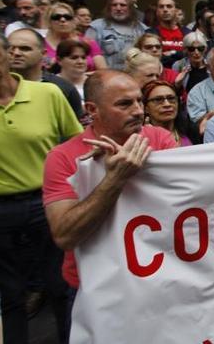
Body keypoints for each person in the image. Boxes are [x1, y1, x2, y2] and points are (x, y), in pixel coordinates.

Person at [42, 71, 178, 329]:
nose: (139, 111)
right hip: (96, 289)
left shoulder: (159, 138)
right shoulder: (62, 158)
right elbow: (65, 235)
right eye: (125, 104)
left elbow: (186, 199)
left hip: (159, 277)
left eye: (139, 101)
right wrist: (113, 179)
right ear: (92, 109)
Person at [0, 32, 83, 344]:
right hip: (2, 211)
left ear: (6, 56)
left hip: (48, 203)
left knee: (58, 287)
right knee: (10, 296)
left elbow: (77, 144)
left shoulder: (47, 94)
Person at [8, 28, 85, 121]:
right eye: (11, 49)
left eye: (25, 49)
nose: (16, 53)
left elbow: (76, 130)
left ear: (43, 54)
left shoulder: (62, 88)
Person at [86, 0, 148, 70]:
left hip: (134, 77)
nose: (118, 8)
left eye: (123, 5)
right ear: (109, 8)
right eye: (114, 5)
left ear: (130, 8)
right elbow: (86, 54)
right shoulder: (96, 27)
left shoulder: (141, 29)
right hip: (105, 77)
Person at [43, 2, 107, 71]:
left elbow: (103, 72)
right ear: (49, 21)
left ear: (73, 20)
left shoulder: (89, 42)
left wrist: (81, 76)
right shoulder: (40, 44)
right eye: (57, 17)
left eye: (67, 17)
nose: (62, 20)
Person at [142, 80, 199, 146]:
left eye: (171, 98)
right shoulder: (141, 137)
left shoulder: (190, 131)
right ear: (146, 108)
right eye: (158, 100)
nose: (167, 104)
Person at [146, 0, 190, 68]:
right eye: (161, 7)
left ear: (176, 11)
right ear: (157, 12)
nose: (165, 9)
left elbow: (191, 54)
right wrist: (180, 55)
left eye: (169, 6)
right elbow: (151, 57)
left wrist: (173, 53)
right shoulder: (150, 34)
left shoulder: (187, 33)